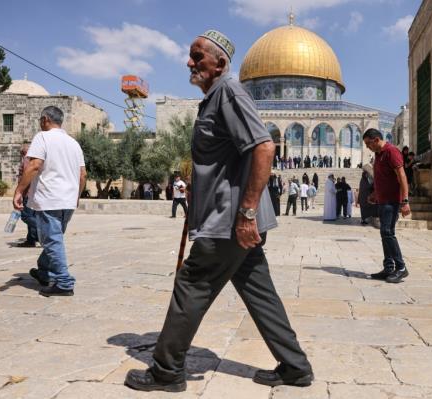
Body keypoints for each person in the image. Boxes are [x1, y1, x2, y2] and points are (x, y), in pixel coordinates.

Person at [124, 30, 312, 392]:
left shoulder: (228, 91)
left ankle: (165, 371)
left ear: (220, 63)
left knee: (191, 284)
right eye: (190, 56)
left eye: (197, 57)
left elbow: (264, 148)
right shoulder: (215, 97)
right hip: (230, 220)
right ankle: (295, 366)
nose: (189, 63)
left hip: (230, 223)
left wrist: (246, 214)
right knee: (259, 290)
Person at [13, 106, 86, 296]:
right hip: (68, 200)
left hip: (49, 199)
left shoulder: (42, 137)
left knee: (52, 241)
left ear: (45, 119)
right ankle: (44, 271)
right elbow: (82, 175)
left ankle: (63, 282)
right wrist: (76, 196)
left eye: (40, 120)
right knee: (54, 238)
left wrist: (19, 191)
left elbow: (34, 165)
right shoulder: (73, 143)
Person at [363, 128, 410, 284]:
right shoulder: (378, 154)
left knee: (387, 232)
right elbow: (382, 178)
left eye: (368, 143)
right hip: (382, 200)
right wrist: (375, 194)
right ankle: (389, 267)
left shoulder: (391, 152)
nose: (367, 147)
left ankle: (401, 268)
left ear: (376, 140)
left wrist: (405, 201)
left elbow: (402, 176)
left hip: (392, 201)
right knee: (385, 234)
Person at [16, 143, 39, 247]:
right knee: (32, 215)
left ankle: (43, 230)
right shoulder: (35, 160)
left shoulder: (27, 160)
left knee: (26, 216)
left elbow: (26, 176)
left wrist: (19, 192)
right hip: (35, 193)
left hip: (28, 193)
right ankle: (31, 240)